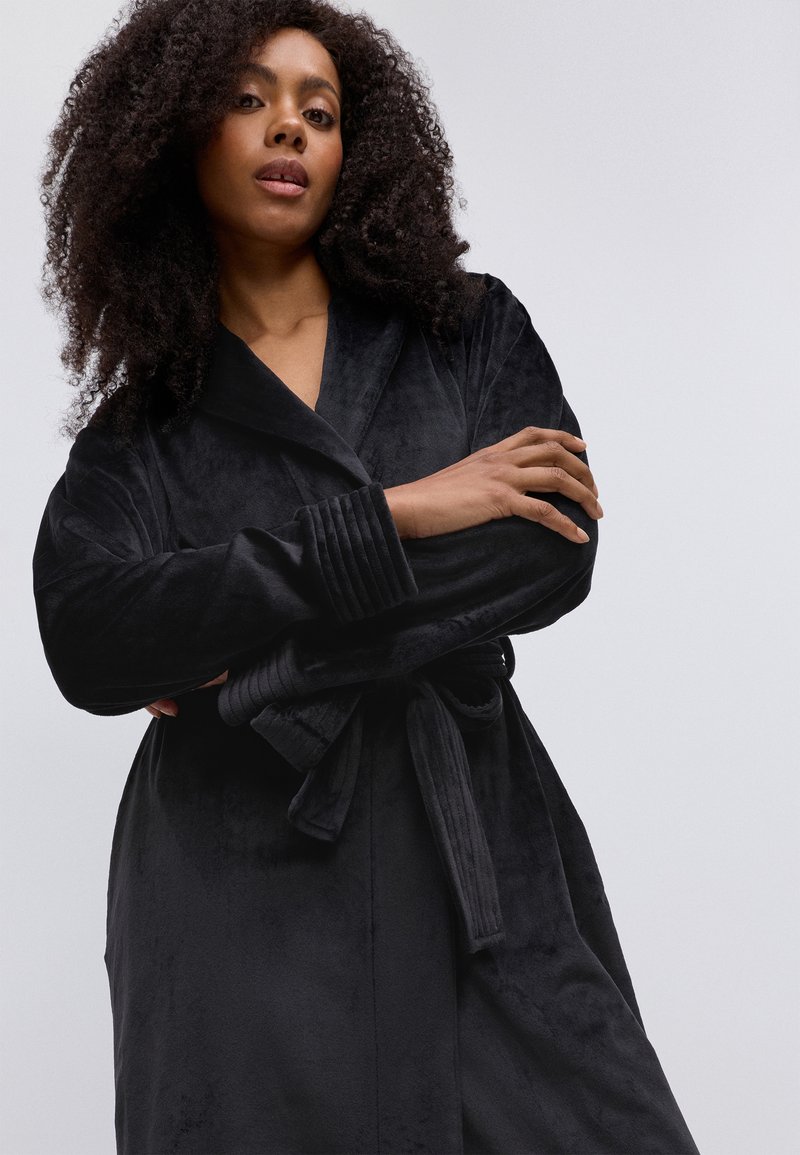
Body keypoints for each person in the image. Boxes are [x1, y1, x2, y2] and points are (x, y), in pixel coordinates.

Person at [32, 1, 701, 1152]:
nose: (289, 127)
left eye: (321, 110)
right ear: (174, 137)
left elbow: (546, 545)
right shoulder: (141, 434)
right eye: (248, 99)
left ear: (359, 148)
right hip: (234, 893)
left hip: (477, 855)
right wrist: (392, 515)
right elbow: (89, 634)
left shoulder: (464, 333)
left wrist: (251, 672)